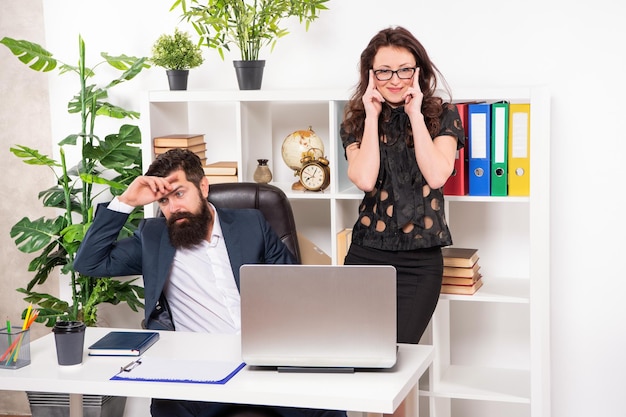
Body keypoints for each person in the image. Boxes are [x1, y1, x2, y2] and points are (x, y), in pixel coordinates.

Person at [74, 148, 346, 417]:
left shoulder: (251, 224)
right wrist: (125, 201)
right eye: (164, 202)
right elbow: (89, 263)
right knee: (167, 406)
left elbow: (295, 286)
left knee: (326, 405)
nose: (174, 208)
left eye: (179, 194)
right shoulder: (153, 237)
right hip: (198, 368)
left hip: (264, 359)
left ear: (203, 187)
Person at [340, 26, 465, 345]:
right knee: (357, 351)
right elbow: (365, 179)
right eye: (384, 72)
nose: (395, 79)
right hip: (366, 256)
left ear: (418, 71)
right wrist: (371, 117)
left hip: (420, 262)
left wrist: (414, 115)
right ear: (370, 75)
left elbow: (437, 175)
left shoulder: (443, 115)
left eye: (404, 70)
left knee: (397, 357)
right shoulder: (356, 121)